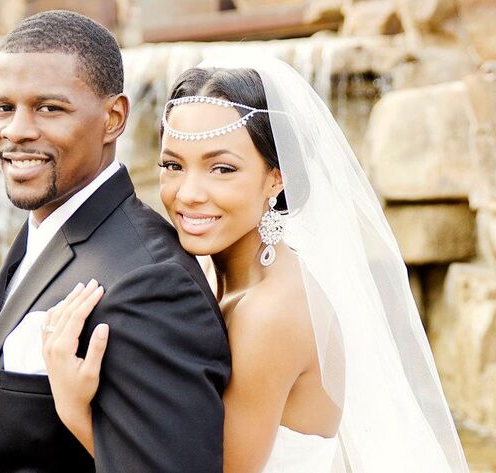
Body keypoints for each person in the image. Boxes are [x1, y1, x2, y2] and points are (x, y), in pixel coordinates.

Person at [44, 55, 471, 472]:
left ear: (277, 177)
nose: (188, 193)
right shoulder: (209, 273)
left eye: (222, 169)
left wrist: (75, 409)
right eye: (173, 165)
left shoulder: (272, 313)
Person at [0, 11, 230, 473]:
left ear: (113, 119)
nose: (15, 130)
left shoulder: (153, 283)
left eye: (48, 108)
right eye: (2, 108)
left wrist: (74, 410)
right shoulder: (43, 228)